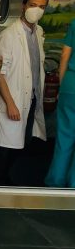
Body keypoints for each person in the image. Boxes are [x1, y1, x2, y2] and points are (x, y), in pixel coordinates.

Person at [0, 0, 49, 186]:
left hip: (30, 99)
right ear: (23, 6)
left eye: (42, 7)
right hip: (12, 100)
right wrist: (11, 104)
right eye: (32, 5)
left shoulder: (38, 33)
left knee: (20, 144)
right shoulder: (10, 36)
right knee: (1, 148)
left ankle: (4, 180)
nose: (36, 10)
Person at [45, 19, 75, 187]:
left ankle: (55, 184)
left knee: (64, 137)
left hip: (70, 85)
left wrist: (62, 85)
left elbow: (64, 55)